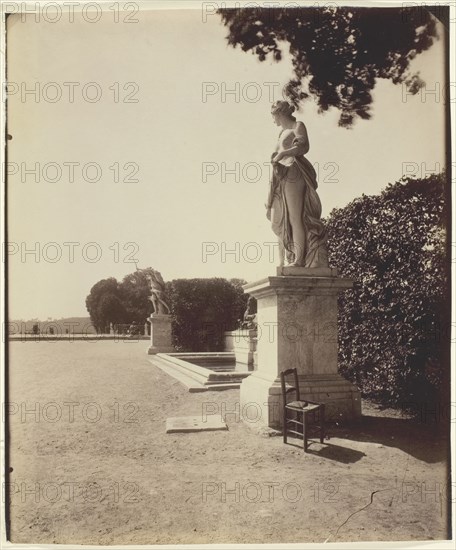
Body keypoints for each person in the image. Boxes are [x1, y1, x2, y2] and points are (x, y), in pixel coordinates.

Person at [266, 100, 328, 267]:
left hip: (294, 172)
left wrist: (283, 154)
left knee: (295, 217)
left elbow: (303, 146)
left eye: (273, 115)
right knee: (277, 221)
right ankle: (291, 257)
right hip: (280, 176)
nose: (273, 120)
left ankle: (298, 260)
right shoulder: (282, 133)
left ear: (279, 114)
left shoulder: (297, 125)